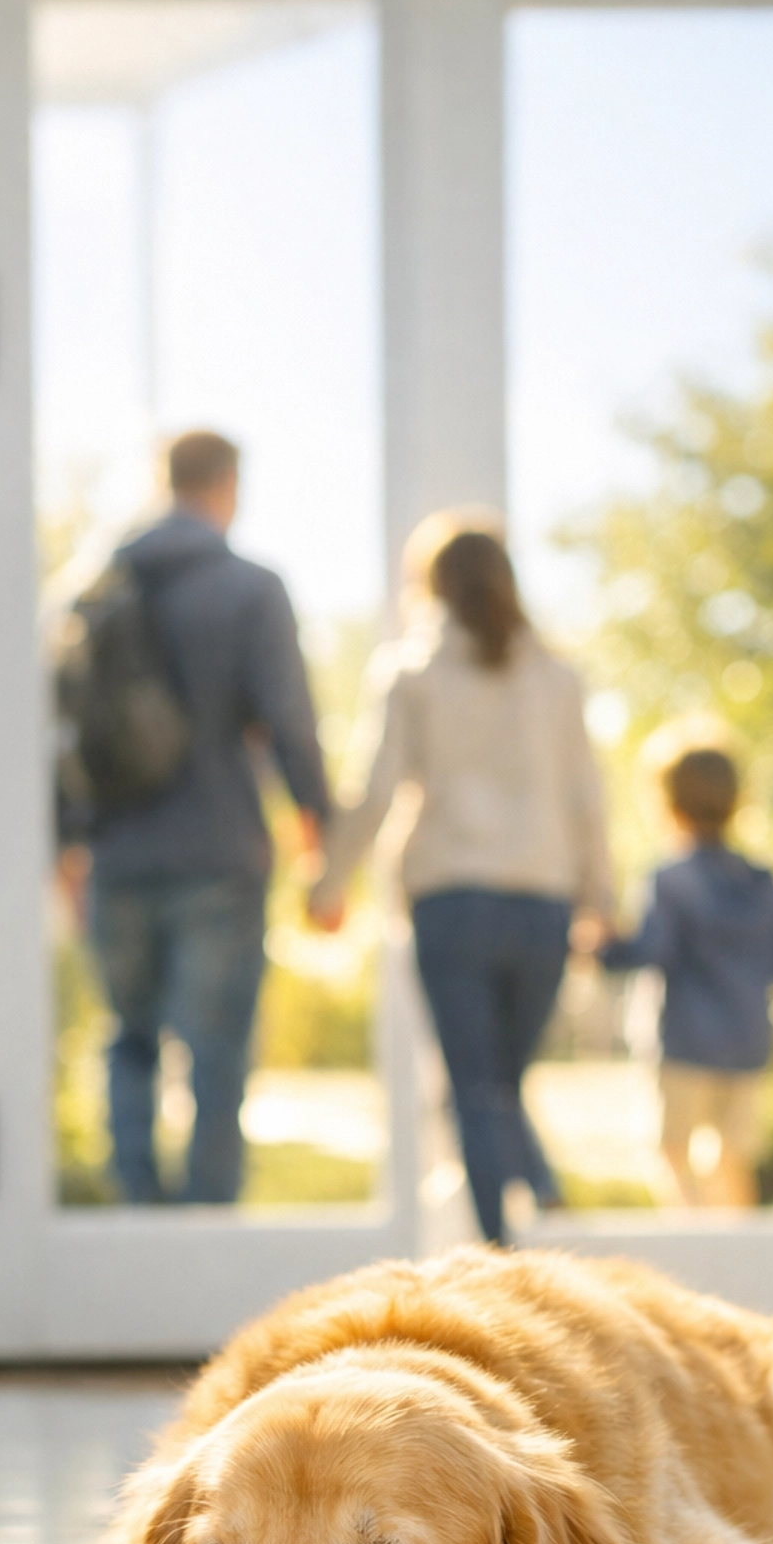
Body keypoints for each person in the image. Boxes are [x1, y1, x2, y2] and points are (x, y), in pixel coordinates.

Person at [309, 513, 613, 1243]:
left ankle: (500, 1258)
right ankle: (537, 1196)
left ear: (431, 585)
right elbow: (586, 797)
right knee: (499, 1086)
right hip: (541, 900)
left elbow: (375, 787)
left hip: (451, 900)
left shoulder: (411, 671)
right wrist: (600, 896)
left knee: (476, 1091)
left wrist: (330, 880)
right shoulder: (557, 678)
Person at [60, 430, 331, 1205]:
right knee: (215, 1051)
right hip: (221, 847)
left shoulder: (94, 586)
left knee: (129, 1038)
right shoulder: (250, 588)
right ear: (228, 485)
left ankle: (136, 1211)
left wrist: (67, 844)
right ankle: (207, 1227)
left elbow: (60, 726)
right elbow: (288, 718)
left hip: (115, 850)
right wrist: (318, 826)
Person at [600, 739, 773, 1208]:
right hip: (747, 1040)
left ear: (667, 804)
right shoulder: (761, 881)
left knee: (672, 1150)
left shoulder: (670, 878)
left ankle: (690, 1238)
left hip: (684, 1042)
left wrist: (606, 948)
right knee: (733, 1156)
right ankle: (738, 1243)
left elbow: (652, 949)